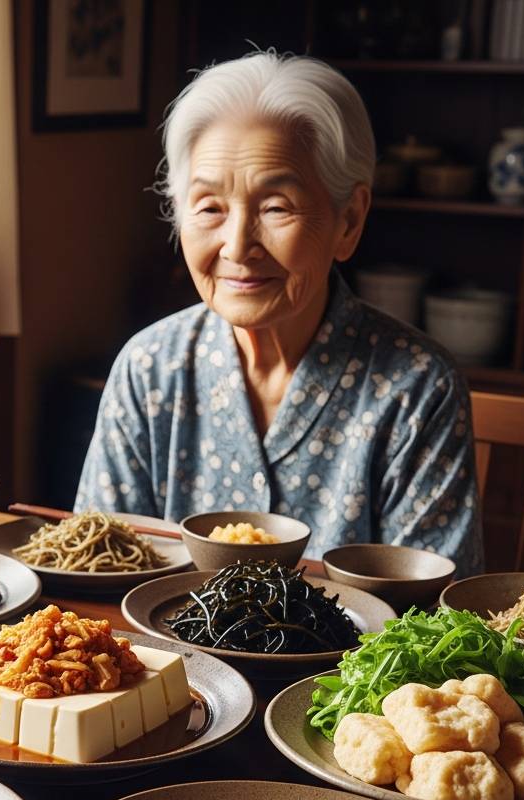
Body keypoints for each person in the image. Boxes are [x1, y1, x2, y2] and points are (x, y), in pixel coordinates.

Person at [74, 52, 483, 575]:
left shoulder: (417, 387)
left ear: (349, 221)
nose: (238, 246)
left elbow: (435, 626)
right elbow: (99, 571)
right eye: (209, 207)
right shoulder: (149, 366)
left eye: (275, 207)